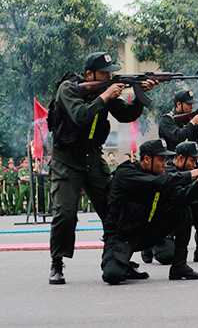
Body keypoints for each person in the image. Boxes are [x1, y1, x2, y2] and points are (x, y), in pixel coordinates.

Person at [48, 52, 158, 285]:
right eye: (104, 73)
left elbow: (127, 115)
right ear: (90, 74)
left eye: (111, 73)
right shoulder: (68, 89)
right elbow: (80, 116)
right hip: (66, 160)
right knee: (65, 213)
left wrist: (140, 95)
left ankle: (120, 260)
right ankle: (57, 263)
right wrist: (105, 95)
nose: (110, 76)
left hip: (92, 158)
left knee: (114, 209)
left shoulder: (102, 92)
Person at [101, 139, 198, 284]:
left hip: (146, 232)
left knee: (182, 210)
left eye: (166, 160)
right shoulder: (126, 173)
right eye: (161, 160)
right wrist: (194, 173)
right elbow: (156, 183)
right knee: (112, 275)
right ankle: (122, 264)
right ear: (147, 159)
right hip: (122, 236)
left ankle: (179, 266)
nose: (165, 164)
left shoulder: (161, 176)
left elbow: (180, 199)